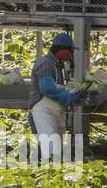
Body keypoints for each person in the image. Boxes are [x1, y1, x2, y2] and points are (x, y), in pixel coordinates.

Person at [28, 32, 89, 162]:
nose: (70, 55)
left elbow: (58, 87)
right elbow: (47, 88)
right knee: (50, 148)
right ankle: (42, 169)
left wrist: (74, 93)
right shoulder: (45, 63)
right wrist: (70, 97)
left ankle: (41, 169)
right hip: (42, 111)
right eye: (70, 51)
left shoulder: (58, 65)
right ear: (62, 50)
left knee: (53, 148)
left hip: (53, 111)